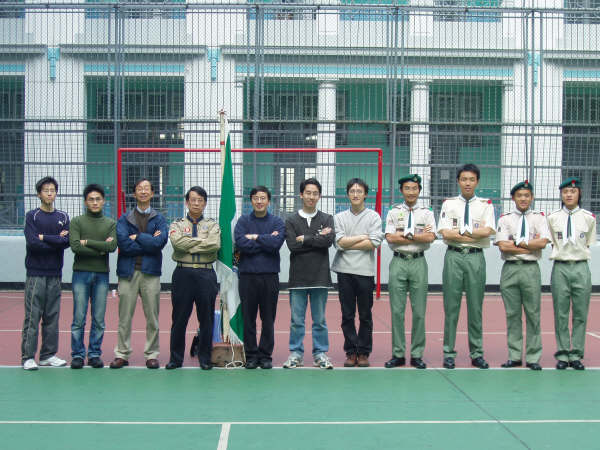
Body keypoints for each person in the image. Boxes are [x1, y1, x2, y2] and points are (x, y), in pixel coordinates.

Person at [437, 164, 496, 369]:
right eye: (464, 179)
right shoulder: (449, 204)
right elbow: (445, 232)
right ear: (458, 181)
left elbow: (488, 231)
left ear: (477, 181)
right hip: (453, 257)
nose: (467, 183)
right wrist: (472, 234)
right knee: (451, 307)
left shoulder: (486, 205)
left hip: (475, 257)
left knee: (475, 307)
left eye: (471, 179)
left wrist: (461, 233)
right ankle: (449, 352)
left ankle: (477, 353)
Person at [110, 178, 168, 370]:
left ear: (152, 193)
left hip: (150, 273)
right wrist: (148, 242)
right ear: (134, 193)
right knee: (124, 317)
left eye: (146, 189)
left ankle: (152, 354)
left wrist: (138, 237)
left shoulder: (159, 219)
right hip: (128, 273)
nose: (143, 192)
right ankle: (122, 353)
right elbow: (124, 244)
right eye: (139, 189)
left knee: (152, 317)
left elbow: (159, 243)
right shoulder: (124, 219)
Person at [495, 181, 550, 371]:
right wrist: (529, 244)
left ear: (532, 197)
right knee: (512, 314)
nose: (523, 199)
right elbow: (503, 246)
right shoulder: (505, 219)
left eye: (527, 195)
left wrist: (516, 243)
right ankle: (515, 355)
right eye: (519, 196)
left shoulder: (539, 219)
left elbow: (542, 243)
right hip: (510, 269)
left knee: (533, 314)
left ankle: (533, 356)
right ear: (513, 198)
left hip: (530, 269)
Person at [384, 174, 436, 370]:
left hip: (418, 262)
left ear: (419, 191)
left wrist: (406, 235)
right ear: (401, 191)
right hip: (398, 262)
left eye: (414, 188)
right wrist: (417, 235)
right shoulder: (393, 212)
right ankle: (398, 353)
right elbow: (390, 237)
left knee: (419, 311)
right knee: (397, 311)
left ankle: (416, 354)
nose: (411, 192)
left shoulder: (427, 213)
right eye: (407, 188)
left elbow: (430, 237)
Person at [283, 178, 335, 370]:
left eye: (315, 193)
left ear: (319, 196)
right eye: (308, 193)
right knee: (297, 321)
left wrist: (305, 238)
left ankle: (320, 353)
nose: (311, 197)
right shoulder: (291, 220)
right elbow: (292, 245)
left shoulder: (327, 218)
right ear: (301, 194)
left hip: (320, 278)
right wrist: (317, 238)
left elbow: (327, 242)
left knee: (319, 320)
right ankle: (295, 353)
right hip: (298, 278)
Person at [166, 186, 220, 370]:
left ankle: (205, 358)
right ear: (187, 202)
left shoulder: (212, 225)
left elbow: (214, 245)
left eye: (200, 200)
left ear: (205, 203)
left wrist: (188, 244)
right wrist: (202, 243)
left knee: (206, 319)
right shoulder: (177, 224)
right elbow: (177, 244)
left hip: (206, 274)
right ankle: (175, 359)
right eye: (193, 200)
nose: (196, 203)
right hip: (183, 274)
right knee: (179, 319)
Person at [331, 178, 383, 368]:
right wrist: (362, 236)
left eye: (359, 191)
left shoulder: (374, 217)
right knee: (347, 315)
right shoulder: (339, 217)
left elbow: (374, 242)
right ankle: (351, 352)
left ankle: (363, 352)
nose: (355, 194)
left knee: (365, 315)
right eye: (352, 191)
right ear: (347, 194)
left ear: (365, 194)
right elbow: (339, 243)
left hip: (364, 272)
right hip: (344, 272)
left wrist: (348, 241)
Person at [547, 177, 596, 370]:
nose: (569, 195)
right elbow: (552, 241)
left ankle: (576, 354)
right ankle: (562, 354)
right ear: (561, 194)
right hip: (560, 267)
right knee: (561, 313)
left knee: (580, 313)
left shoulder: (588, 218)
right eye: (565, 192)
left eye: (573, 191)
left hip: (581, 267)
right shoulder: (552, 218)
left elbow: (588, 243)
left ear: (579, 194)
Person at [21, 176, 70, 370]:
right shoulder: (32, 216)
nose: (50, 193)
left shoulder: (63, 217)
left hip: (55, 274)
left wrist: (45, 238)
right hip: (35, 274)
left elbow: (66, 242)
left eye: (52, 190)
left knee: (52, 316)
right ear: (39, 194)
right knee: (33, 316)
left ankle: (47, 355)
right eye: (46, 190)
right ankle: (27, 357)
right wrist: (55, 239)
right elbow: (33, 243)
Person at [234, 186, 285, 369]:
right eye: (256, 198)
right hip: (247, 276)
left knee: (268, 319)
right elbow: (241, 244)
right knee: (248, 318)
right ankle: (251, 355)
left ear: (269, 201)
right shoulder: (243, 221)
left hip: (269, 276)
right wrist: (265, 240)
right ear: (251, 200)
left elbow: (276, 244)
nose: (259, 201)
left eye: (263, 198)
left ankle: (265, 355)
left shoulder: (277, 222)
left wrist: (255, 237)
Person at [69, 183, 117, 369]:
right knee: (78, 318)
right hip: (80, 274)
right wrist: (100, 248)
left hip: (102, 276)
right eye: (91, 199)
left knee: (98, 319)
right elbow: (75, 246)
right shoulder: (77, 222)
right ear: (85, 202)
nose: (95, 202)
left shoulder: (110, 223)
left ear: (103, 201)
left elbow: (111, 247)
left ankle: (95, 354)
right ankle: (78, 355)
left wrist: (87, 242)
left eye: (98, 199)